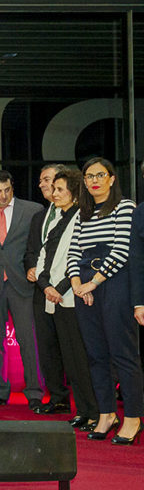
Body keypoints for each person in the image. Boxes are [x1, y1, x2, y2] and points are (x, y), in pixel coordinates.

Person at [69, 157, 142, 444]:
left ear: (112, 178)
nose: (94, 181)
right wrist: (77, 284)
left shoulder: (125, 207)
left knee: (123, 353)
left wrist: (93, 281)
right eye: (89, 176)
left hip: (115, 284)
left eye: (100, 175)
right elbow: (74, 252)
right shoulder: (82, 213)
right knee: (96, 354)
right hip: (86, 287)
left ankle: (134, 417)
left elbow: (122, 250)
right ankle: (106, 413)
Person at [0, 170, 44, 410]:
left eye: (8, 190)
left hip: (23, 284)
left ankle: (34, 392)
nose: (3, 196)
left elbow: (41, 245)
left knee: (29, 341)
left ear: (13, 188)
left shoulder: (33, 210)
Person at [33, 168, 99, 429]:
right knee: (70, 361)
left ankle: (93, 411)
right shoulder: (57, 218)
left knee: (80, 359)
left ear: (74, 192)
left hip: (71, 297)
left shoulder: (83, 216)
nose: (54, 192)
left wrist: (58, 288)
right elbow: (44, 256)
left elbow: (78, 261)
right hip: (54, 296)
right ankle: (83, 411)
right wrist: (44, 283)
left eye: (60, 189)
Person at [24, 163, 73, 416]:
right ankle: (58, 398)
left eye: (48, 180)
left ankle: (86, 404)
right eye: (42, 181)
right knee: (47, 346)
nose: (43, 185)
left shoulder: (77, 214)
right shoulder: (39, 217)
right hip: (41, 291)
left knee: (72, 347)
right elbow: (32, 250)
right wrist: (31, 268)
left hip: (68, 290)